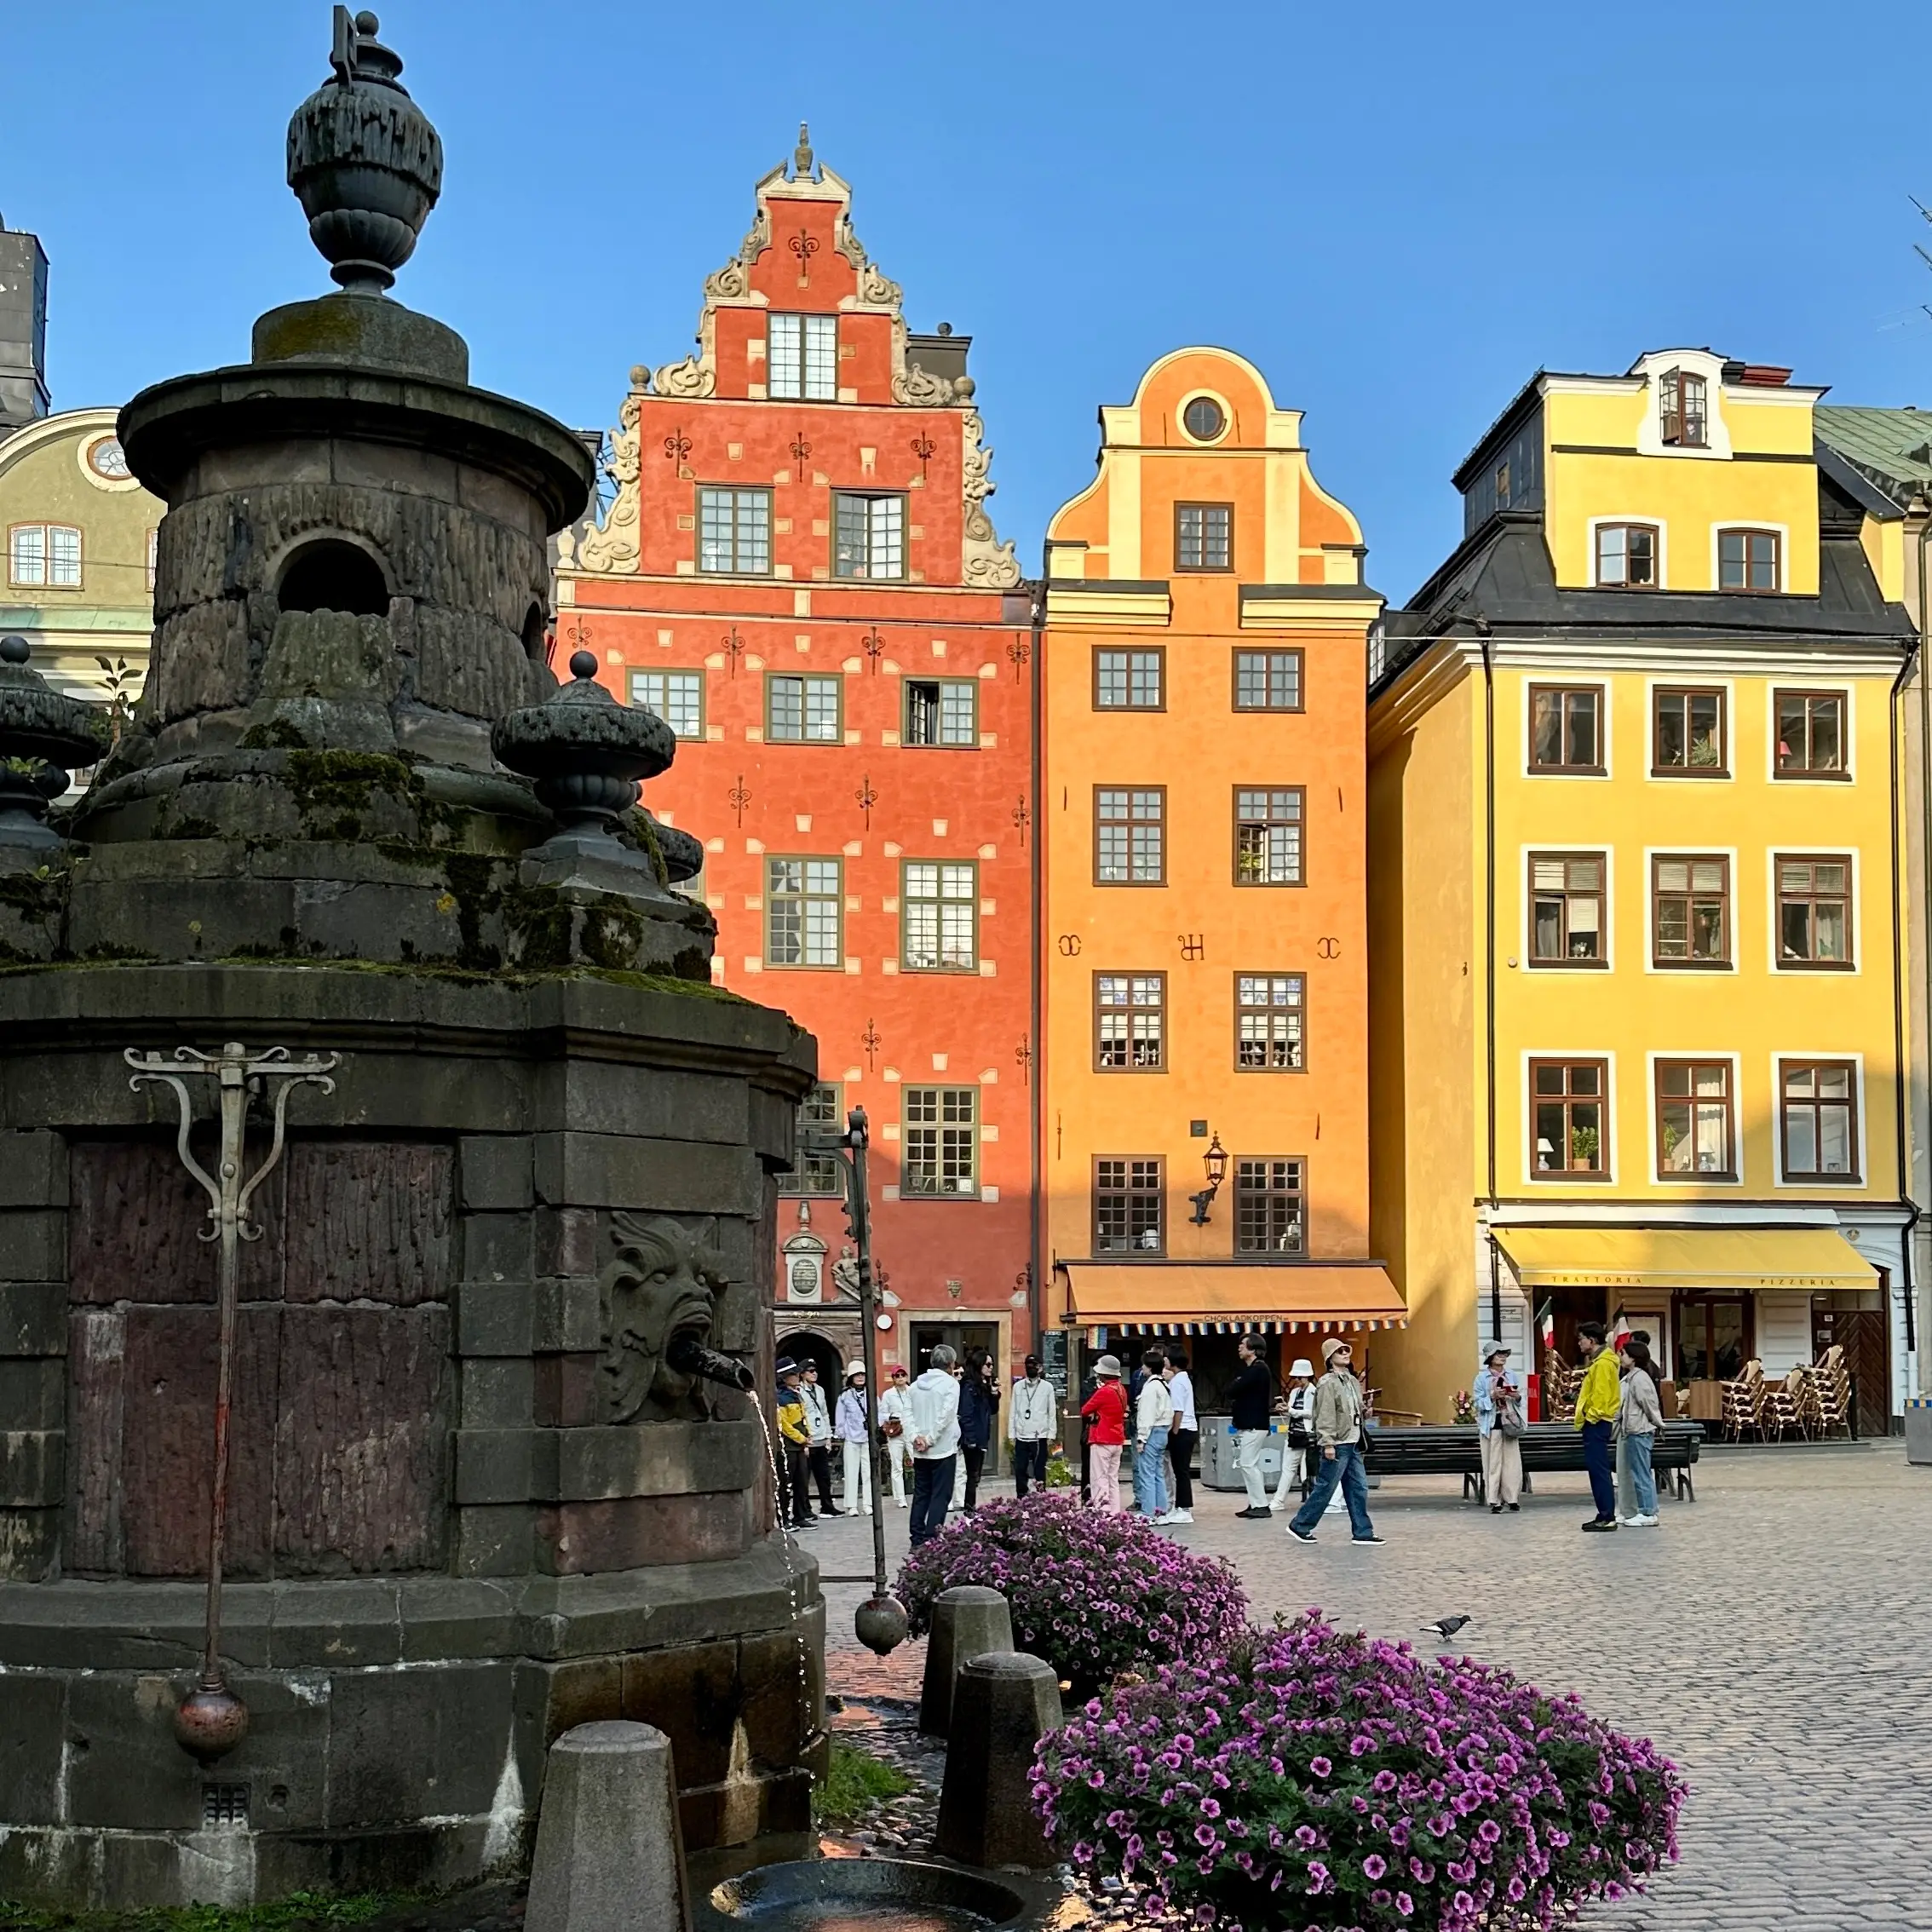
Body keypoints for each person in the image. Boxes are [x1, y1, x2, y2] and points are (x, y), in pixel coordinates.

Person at [1285, 1337, 1383, 1545]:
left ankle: (1363, 1532)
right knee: (1326, 1487)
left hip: (1353, 1440)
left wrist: (1366, 1412)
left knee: (1358, 1487)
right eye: (1340, 1351)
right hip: (1338, 1443)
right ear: (1330, 1358)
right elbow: (1326, 1414)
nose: (1346, 1353)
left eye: (1347, 1350)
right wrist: (1327, 1443)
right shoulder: (1327, 1383)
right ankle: (1300, 1525)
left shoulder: (1352, 1380)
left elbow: (1350, 1411)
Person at [908, 1344, 962, 1545]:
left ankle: (916, 1537)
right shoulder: (951, 1385)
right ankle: (932, 1538)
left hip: (921, 1449)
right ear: (950, 1364)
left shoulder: (914, 1386)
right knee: (941, 1494)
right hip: (942, 1448)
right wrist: (930, 1439)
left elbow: (907, 1415)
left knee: (921, 1494)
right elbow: (946, 1416)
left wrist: (916, 1437)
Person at [1573, 1320, 1622, 1531]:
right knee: (1598, 1470)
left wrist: (1589, 1417)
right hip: (1598, 1422)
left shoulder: (1602, 1364)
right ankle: (1604, 1513)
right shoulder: (1601, 1362)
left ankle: (1606, 1516)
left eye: (1581, 1339)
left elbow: (1601, 1397)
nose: (1579, 1343)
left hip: (1597, 1423)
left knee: (1599, 1471)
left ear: (1591, 1341)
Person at [1228, 1333, 1276, 1519]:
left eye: (1243, 1344)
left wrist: (1237, 1383)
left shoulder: (1257, 1369)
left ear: (1253, 1349)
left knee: (1248, 1464)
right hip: (1252, 1424)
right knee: (1250, 1464)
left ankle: (1261, 1505)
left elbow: (1232, 1390)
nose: (1239, 1347)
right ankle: (1256, 1503)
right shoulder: (1253, 1369)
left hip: (1254, 1425)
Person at [1472, 1343, 1523, 1514]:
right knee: (1493, 1464)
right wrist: (1492, 1397)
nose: (1502, 1357)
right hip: (1491, 1424)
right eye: (1498, 1354)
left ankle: (1512, 1499)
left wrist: (1516, 1396)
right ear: (1490, 1358)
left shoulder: (1512, 1375)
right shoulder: (1481, 1379)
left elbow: (1519, 1401)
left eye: (1504, 1354)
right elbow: (1477, 1404)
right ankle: (1494, 1500)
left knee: (1512, 1464)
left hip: (1510, 1423)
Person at [1618, 1338, 1664, 1527]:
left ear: (1634, 1357)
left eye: (1624, 1354)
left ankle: (1648, 1512)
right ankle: (1640, 1511)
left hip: (1640, 1431)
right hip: (1633, 1430)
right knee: (1635, 1472)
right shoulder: (1632, 1377)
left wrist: (1657, 1424)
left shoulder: (1640, 1379)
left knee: (1641, 1473)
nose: (1621, 1357)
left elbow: (1650, 1406)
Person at [1079, 1354, 1128, 1512]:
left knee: (1099, 1479)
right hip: (1117, 1438)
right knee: (1113, 1479)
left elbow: (1085, 1409)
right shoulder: (1121, 1389)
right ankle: (1114, 1512)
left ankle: (1102, 1513)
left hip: (1102, 1439)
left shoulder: (1104, 1391)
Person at [1269, 1358, 1317, 1513]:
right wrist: (1284, 1409)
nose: (1297, 1380)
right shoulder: (1295, 1392)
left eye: (1299, 1377)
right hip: (1294, 1433)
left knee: (1308, 1471)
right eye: (1295, 1377)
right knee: (1288, 1469)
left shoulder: (1313, 1392)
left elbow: (1311, 1413)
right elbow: (1292, 1410)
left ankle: (1280, 1500)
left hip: (1307, 1434)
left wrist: (1291, 1411)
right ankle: (1278, 1500)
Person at [1132, 1345, 1172, 1518]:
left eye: (1144, 1365)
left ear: (1148, 1367)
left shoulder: (1150, 1388)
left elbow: (1146, 1416)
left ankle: (1148, 1512)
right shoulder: (1163, 1385)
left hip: (1151, 1432)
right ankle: (1161, 1511)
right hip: (1163, 1431)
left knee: (1146, 1473)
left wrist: (1141, 1439)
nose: (1142, 1368)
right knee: (1158, 1473)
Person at [1009, 1354, 1057, 1498]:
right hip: (1022, 1436)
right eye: (1028, 1365)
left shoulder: (1047, 1387)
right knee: (1020, 1469)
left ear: (1040, 1368)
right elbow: (1013, 1411)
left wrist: (1051, 1434)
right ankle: (1021, 1496)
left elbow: (1051, 1412)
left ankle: (1041, 1496)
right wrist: (1012, 1434)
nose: (1030, 1368)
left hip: (1039, 1436)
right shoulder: (1018, 1386)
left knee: (1039, 1470)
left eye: (1034, 1365)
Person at [773, 1360, 814, 1529]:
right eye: (793, 1374)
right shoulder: (780, 1398)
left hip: (798, 1445)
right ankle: (784, 1518)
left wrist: (808, 1435)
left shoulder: (795, 1394)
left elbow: (803, 1419)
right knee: (786, 1484)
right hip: (788, 1446)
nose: (797, 1376)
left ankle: (800, 1515)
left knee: (801, 1483)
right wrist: (801, 1438)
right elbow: (782, 1424)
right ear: (784, 1378)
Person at [957, 1350, 999, 1511]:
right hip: (972, 1439)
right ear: (979, 1365)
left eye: (992, 1365)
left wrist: (994, 1392)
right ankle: (969, 1508)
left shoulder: (984, 1385)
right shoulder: (969, 1386)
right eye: (988, 1364)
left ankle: (970, 1507)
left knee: (975, 1476)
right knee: (971, 1475)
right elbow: (966, 1414)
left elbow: (993, 1410)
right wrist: (971, 1439)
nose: (991, 1368)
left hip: (981, 1437)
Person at [834, 1361, 871, 1519]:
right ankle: (852, 1505)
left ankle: (868, 1504)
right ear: (851, 1378)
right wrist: (841, 1433)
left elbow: (880, 1412)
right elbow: (840, 1417)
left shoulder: (871, 1394)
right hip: (851, 1438)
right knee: (851, 1471)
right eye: (857, 1375)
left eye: (862, 1374)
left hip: (868, 1438)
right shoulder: (844, 1396)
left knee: (869, 1472)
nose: (860, 1377)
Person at [1164, 1348, 1197, 1524]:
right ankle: (1180, 1507)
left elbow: (1178, 1409)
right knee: (1181, 1471)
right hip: (1188, 1429)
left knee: (1181, 1471)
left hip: (1182, 1430)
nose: (1165, 1362)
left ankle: (1184, 1509)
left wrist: (1174, 1431)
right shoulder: (1183, 1379)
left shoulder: (1177, 1382)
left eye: (1167, 1359)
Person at [800, 1362, 837, 1517]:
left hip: (821, 1437)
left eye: (815, 1371)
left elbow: (825, 1413)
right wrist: (804, 1440)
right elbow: (801, 1416)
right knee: (804, 1478)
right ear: (802, 1374)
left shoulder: (820, 1390)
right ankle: (806, 1509)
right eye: (810, 1371)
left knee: (824, 1476)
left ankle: (827, 1506)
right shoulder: (799, 1391)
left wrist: (828, 1436)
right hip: (808, 1439)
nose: (814, 1373)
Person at [877, 1364, 913, 1508]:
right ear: (893, 1378)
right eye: (897, 1376)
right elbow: (882, 1414)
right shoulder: (888, 1394)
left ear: (906, 1377)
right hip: (896, 1432)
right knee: (897, 1465)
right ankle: (900, 1497)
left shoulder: (912, 1391)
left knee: (917, 1460)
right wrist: (892, 1417)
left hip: (911, 1431)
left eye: (902, 1375)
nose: (900, 1378)